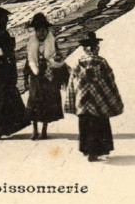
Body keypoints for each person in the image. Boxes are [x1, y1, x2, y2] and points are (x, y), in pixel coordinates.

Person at [64, 31, 123, 162]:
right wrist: (112, 96)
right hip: (99, 101)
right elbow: (110, 79)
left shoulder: (78, 64)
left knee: (85, 125)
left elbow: (72, 84)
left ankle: (87, 150)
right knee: (101, 124)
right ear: (97, 47)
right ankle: (101, 150)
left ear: (84, 49)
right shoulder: (102, 62)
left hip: (83, 101)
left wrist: (72, 101)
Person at [0, 12, 30, 140]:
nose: (1, 27)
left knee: (5, 100)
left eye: (3, 24)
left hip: (6, 72)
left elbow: (11, 56)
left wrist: (13, 73)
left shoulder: (9, 40)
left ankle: (3, 129)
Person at [24, 13, 64, 140]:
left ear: (47, 30)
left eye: (43, 30)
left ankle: (44, 130)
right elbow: (28, 61)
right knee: (34, 102)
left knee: (47, 103)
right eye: (38, 30)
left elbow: (59, 58)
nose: (41, 33)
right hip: (35, 77)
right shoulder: (31, 44)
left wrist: (56, 61)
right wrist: (25, 77)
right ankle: (35, 130)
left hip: (48, 76)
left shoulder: (52, 42)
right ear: (35, 31)